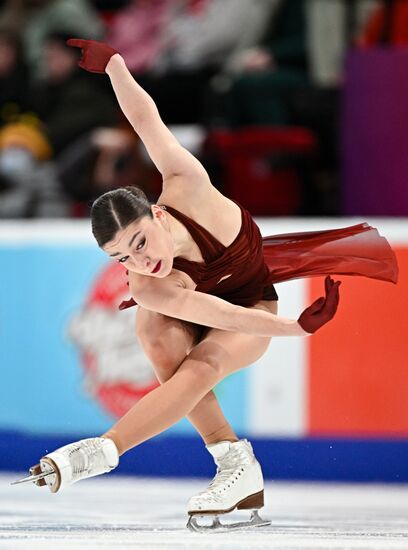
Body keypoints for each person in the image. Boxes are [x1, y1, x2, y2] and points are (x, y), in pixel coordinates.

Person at [15, 39, 398, 531]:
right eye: (121, 257)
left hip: (248, 303)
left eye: (139, 241)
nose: (140, 260)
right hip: (201, 309)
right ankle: (233, 465)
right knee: (153, 333)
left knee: (205, 363)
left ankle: (115, 453)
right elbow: (203, 312)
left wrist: (114, 66)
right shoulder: (148, 283)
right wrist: (296, 330)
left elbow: (145, 121)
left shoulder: (186, 183)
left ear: (155, 212)